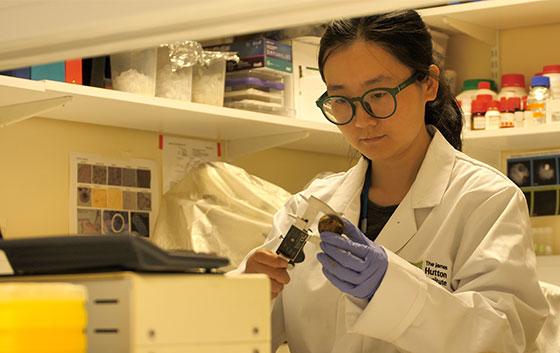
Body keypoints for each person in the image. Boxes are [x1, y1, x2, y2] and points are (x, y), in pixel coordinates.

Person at [232, 10, 549, 353]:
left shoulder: (486, 200)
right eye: (341, 100)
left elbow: (503, 338)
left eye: (379, 94)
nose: (362, 120)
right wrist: (247, 292)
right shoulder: (306, 208)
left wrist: (391, 289)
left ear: (428, 83)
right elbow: (241, 337)